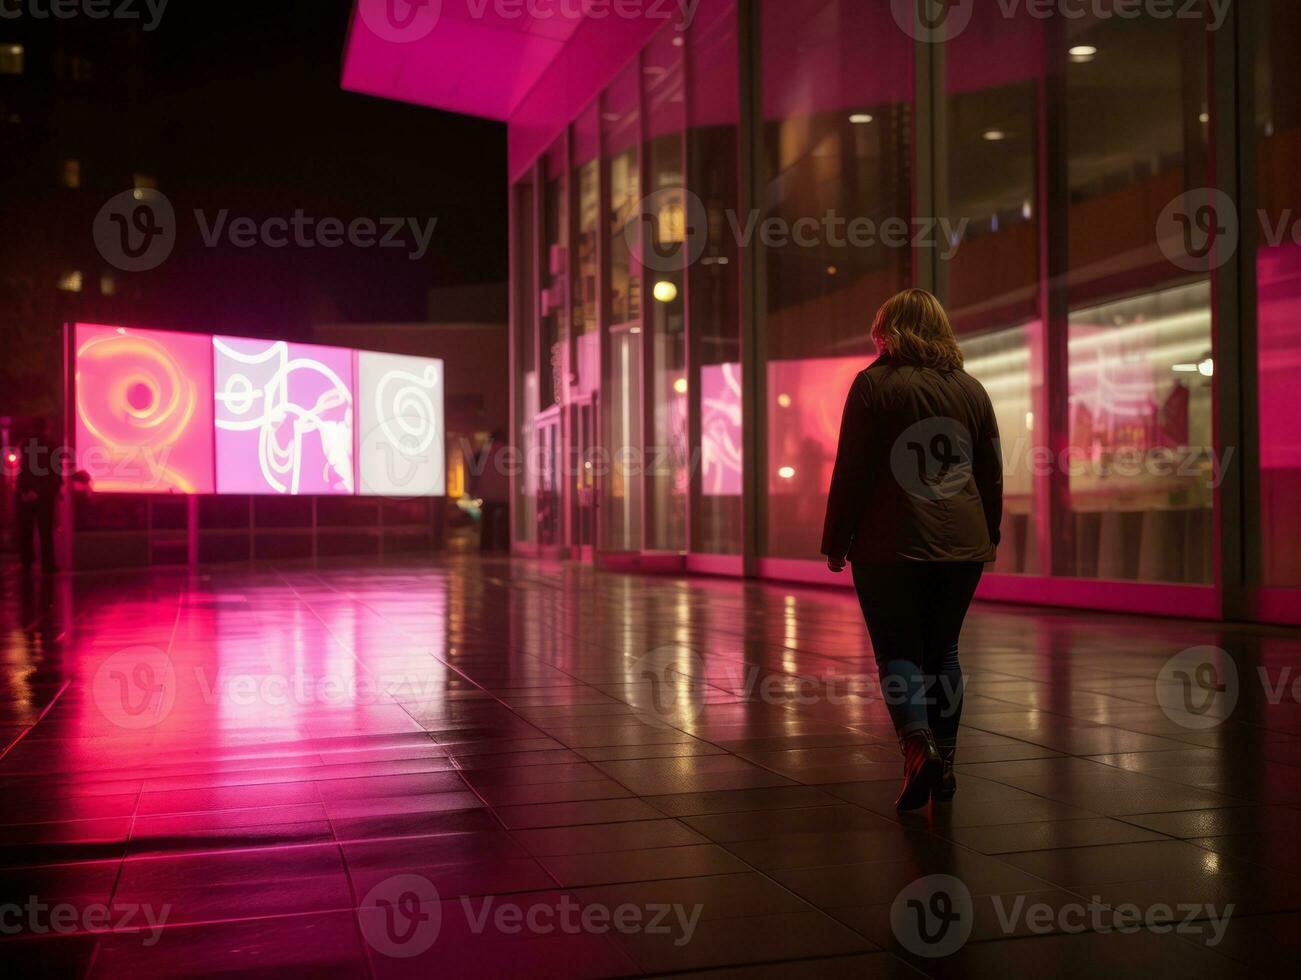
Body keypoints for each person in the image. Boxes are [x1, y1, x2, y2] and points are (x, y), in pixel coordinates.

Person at [821, 289, 1003, 811]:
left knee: (898, 648)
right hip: (962, 544)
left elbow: (851, 471)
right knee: (943, 650)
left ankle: (916, 747)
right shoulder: (971, 389)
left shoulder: (874, 385)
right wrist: (988, 533)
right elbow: (990, 472)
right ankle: (944, 761)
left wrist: (837, 540)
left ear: (888, 329)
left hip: (890, 544)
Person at [15, 417, 64, 574]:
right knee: (45, 530)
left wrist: (24, 489)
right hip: (45, 494)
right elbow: (56, 470)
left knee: (26, 529)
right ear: (46, 427)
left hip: (28, 493)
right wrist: (54, 489)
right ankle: (48, 564)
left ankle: (27, 562)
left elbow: (23, 469)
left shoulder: (26, 443)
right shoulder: (52, 444)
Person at [477, 431, 511, 553]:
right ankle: (505, 546)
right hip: (505, 495)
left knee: (487, 523)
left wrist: (480, 492)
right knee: (506, 522)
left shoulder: (485, 455)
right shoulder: (508, 453)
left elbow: (481, 476)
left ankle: (486, 547)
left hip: (488, 495)